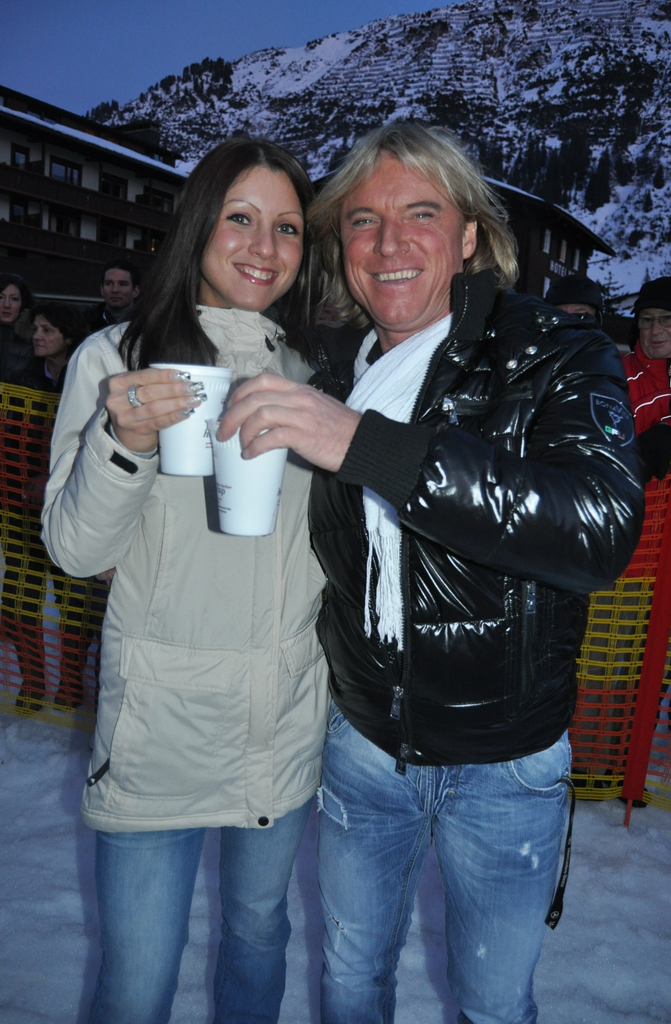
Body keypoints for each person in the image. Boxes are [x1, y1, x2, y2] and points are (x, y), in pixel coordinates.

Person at [219, 122, 644, 1024]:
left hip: (506, 762)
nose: (388, 243)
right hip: (363, 743)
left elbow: (599, 528)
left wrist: (370, 448)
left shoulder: (557, 351)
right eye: (362, 220)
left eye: (420, 213)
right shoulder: (330, 367)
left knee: (492, 1004)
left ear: (469, 235)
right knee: (350, 978)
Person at [41, 138, 327, 1024]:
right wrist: (124, 443)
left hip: (281, 722)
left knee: (258, 938)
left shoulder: (314, 371)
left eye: (287, 227)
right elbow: (75, 550)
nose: (264, 247)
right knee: (136, 984)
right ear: (199, 225)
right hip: (159, 725)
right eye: (240, 218)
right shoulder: (115, 358)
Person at [5, 302, 92, 713]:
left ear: (68, 336)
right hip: (22, 506)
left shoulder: (87, 381)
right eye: (36, 328)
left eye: (48, 330)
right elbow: (7, 439)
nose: (38, 336)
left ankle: (71, 685)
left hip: (70, 507)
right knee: (22, 597)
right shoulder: (21, 377)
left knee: (73, 602)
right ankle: (32, 681)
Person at [623, 277, 671, 481]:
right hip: (636, 497)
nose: (656, 330)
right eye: (647, 320)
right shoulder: (616, 373)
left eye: (667, 318)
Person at [0, 272, 34, 383]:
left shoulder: (35, 339)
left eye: (14, 299)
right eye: (0, 297)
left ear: (22, 303)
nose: (6, 305)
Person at [88, 258, 140, 333]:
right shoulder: (85, 325)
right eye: (109, 284)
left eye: (122, 284)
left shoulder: (149, 324)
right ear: (102, 289)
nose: (115, 290)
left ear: (135, 291)